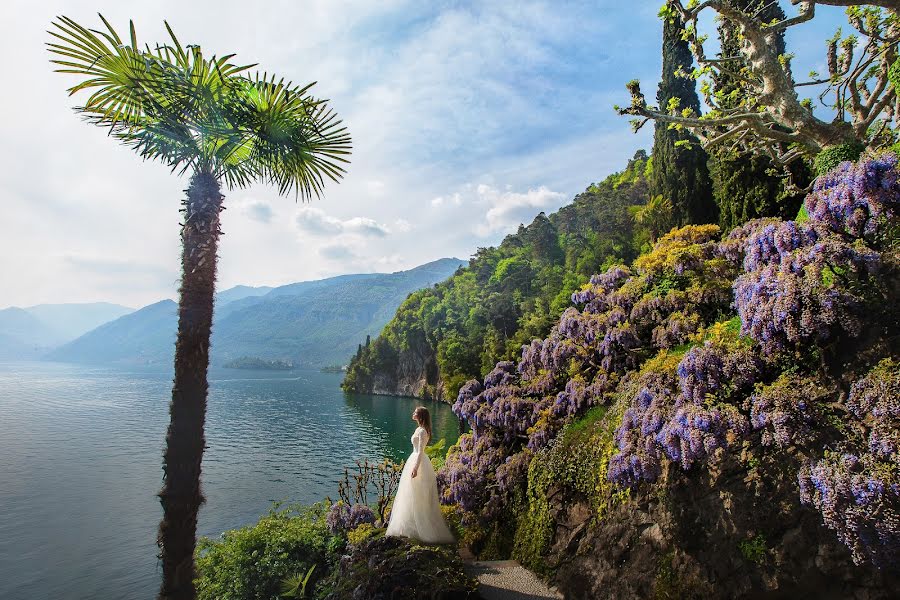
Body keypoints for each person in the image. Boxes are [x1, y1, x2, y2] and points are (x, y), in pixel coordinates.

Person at [385, 406, 456, 544]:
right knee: (410, 494)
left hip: (419, 463)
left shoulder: (423, 431)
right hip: (414, 460)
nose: (413, 413)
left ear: (421, 416)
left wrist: (415, 468)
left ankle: (422, 529)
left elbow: (420, 452)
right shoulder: (419, 429)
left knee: (417, 494)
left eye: (415, 412)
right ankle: (411, 525)